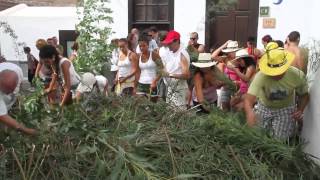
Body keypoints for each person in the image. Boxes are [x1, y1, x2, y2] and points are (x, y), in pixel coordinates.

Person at [244, 43, 309, 139]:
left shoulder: (297, 75)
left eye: (279, 72)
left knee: (280, 139)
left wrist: (300, 109)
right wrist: (249, 112)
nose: (275, 75)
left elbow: (304, 95)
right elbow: (248, 99)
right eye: (272, 72)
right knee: (260, 135)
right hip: (264, 107)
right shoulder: (261, 76)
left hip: (285, 109)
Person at [0, 65, 36, 135]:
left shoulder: (18, 71)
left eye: (11, 89)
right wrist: (27, 131)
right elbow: (2, 116)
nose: (9, 93)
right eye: (7, 90)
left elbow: (18, 89)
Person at [162, 30, 190, 109]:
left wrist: (169, 75)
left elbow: (186, 75)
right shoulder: (171, 52)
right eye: (167, 43)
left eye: (170, 43)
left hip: (179, 89)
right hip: (171, 88)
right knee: (170, 114)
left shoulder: (182, 54)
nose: (168, 45)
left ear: (177, 41)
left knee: (178, 115)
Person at [212, 40, 240, 111]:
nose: (230, 52)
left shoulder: (240, 60)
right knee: (225, 109)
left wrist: (236, 82)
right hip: (225, 87)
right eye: (229, 51)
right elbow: (213, 56)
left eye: (232, 51)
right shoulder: (226, 59)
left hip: (237, 88)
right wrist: (225, 44)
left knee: (234, 110)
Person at [136, 34, 164, 101]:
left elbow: (162, 68)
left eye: (144, 46)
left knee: (152, 106)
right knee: (140, 105)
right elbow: (138, 71)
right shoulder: (138, 56)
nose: (142, 48)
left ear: (148, 45)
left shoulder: (154, 55)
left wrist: (155, 81)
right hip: (141, 84)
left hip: (152, 83)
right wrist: (135, 84)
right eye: (140, 46)